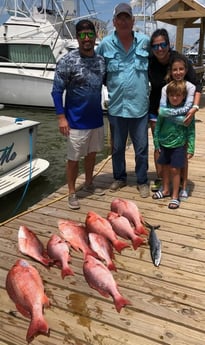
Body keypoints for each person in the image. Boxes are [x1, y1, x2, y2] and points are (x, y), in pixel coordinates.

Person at [96, 3, 150, 198]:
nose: (124, 21)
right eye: (120, 18)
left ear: (133, 21)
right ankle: (119, 177)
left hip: (139, 108)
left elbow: (161, 63)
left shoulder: (145, 41)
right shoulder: (105, 44)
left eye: (127, 17)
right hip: (117, 107)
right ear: (114, 22)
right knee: (117, 147)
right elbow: (95, 69)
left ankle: (142, 180)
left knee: (141, 148)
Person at [51, 19, 106, 210]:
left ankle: (89, 183)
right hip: (75, 121)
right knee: (73, 159)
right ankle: (72, 192)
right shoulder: (67, 60)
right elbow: (56, 91)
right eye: (82, 35)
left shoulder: (100, 60)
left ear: (95, 36)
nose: (86, 38)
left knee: (92, 154)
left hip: (96, 119)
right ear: (77, 37)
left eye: (90, 34)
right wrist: (61, 117)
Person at [148, 28, 201, 192]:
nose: (160, 49)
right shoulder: (150, 61)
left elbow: (197, 85)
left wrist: (194, 107)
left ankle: (182, 180)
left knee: (181, 147)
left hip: (181, 111)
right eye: (155, 46)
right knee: (160, 146)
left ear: (168, 44)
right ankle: (160, 178)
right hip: (158, 111)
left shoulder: (179, 59)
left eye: (163, 44)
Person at [152, 80, 195, 209]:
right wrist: (156, 143)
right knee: (164, 167)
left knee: (175, 170)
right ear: (168, 96)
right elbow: (157, 128)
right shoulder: (163, 111)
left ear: (183, 96)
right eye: (172, 95)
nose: (175, 98)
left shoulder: (186, 113)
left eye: (178, 95)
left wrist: (191, 148)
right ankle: (165, 189)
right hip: (164, 145)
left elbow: (191, 131)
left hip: (179, 146)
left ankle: (175, 195)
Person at [160, 53, 196, 200]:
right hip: (173, 127)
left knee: (184, 157)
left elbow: (190, 106)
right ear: (171, 71)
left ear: (186, 70)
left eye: (181, 69)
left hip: (186, 127)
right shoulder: (165, 88)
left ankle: (184, 186)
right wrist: (180, 118)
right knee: (170, 161)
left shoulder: (190, 87)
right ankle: (168, 187)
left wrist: (192, 110)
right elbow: (162, 109)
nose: (178, 72)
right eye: (175, 69)